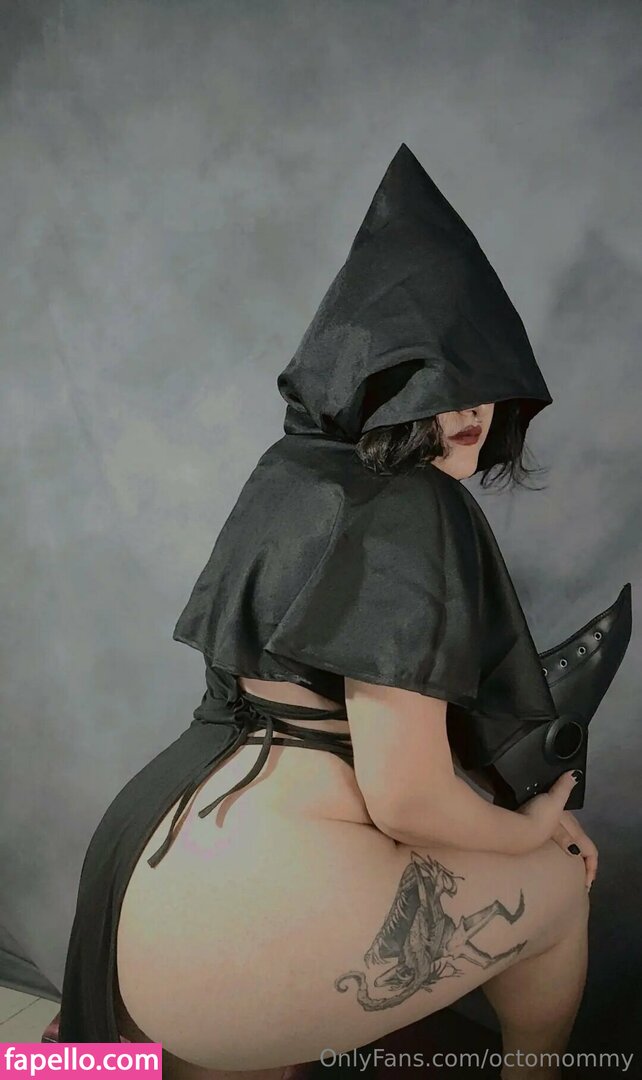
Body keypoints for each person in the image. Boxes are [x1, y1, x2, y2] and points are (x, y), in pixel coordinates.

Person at [58, 145, 597, 1080]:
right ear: (378, 375)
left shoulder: (290, 471)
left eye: (480, 376)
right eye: (435, 376)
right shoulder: (416, 503)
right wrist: (533, 828)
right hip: (241, 938)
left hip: (142, 873)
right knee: (557, 890)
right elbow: (407, 797)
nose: (472, 407)